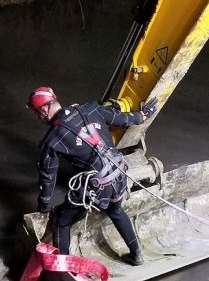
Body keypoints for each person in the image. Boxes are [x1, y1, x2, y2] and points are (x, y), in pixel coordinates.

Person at [27, 86, 157, 266]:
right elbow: (125, 119)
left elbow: (48, 178)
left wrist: (44, 205)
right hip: (119, 175)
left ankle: (63, 271)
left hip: (98, 186)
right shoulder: (90, 108)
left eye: (37, 114)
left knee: (60, 222)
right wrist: (144, 114)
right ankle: (136, 254)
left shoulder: (52, 140)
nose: (38, 118)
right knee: (115, 210)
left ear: (43, 109)